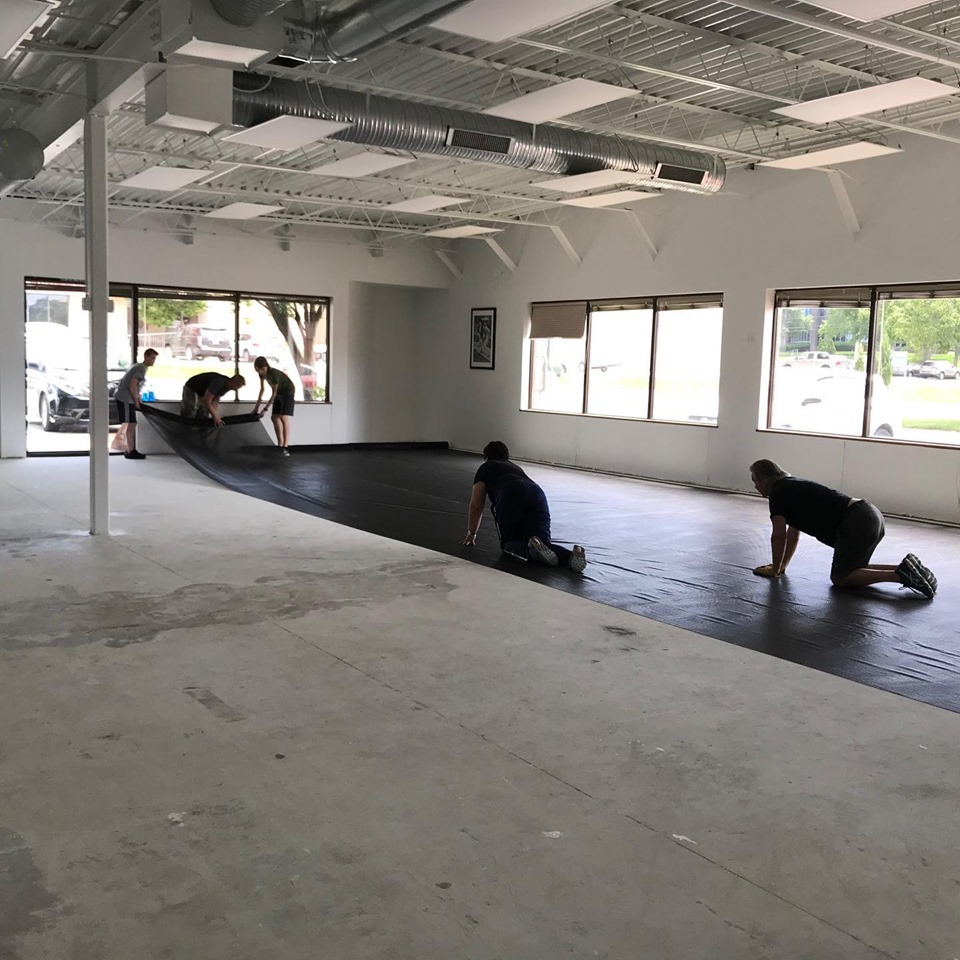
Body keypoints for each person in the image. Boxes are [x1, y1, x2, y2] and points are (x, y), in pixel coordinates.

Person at [749, 458, 937, 598]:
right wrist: (781, 566)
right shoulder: (790, 486)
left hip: (857, 521)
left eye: (755, 481)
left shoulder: (778, 493)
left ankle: (901, 576)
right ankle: (907, 568)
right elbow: (793, 533)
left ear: (765, 480)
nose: (755, 486)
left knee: (841, 577)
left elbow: (778, 536)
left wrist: (775, 570)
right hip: (869, 514)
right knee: (855, 568)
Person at [461, 440, 587, 573]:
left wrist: (472, 534)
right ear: (506, 455)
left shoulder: (485, 467)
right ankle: (571, 556)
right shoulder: (515, 467)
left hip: (510, 491)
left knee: (508, 543)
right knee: (543, 543)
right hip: (537, 494)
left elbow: (476, 505)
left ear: (486, 456)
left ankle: (530, 551)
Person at [113, 348, 157, 460]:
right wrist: (136, 401)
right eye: (152, 358)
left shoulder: (139, 367)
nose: (154, 360)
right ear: (146, 357)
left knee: (131, 423)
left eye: (155, 358)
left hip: (127, 397)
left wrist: (138, 398)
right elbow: (132, 385)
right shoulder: (140, 368)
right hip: (125, 398)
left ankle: (130, 449)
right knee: (131, 423)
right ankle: (130, 450)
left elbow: (135, 386)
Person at [252, 356, 296, 456]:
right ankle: (280, 444)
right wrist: (256, 408)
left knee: (284, 417)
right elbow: (262, 390)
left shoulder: (274, 374)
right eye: (259, 370)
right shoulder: (261, 375)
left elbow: (274, 393)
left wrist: (265, 409)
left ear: (266, 366)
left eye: (263, 370)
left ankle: (285, 446)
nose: (261, 372)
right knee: (274, 417)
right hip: (279, 393)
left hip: (288, 392)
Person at [180, 371, 245, 427]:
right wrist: (215, 416)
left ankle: (200, 431)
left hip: (203, 392)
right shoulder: (219, 382)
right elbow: (207, 400)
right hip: (192, 387)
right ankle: (186, 429)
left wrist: (215, 415)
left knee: (204, 413)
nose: (236, 389)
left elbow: (215, 400)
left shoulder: (227, 387)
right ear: (233, 383)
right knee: (191, 408)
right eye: (237, 387)